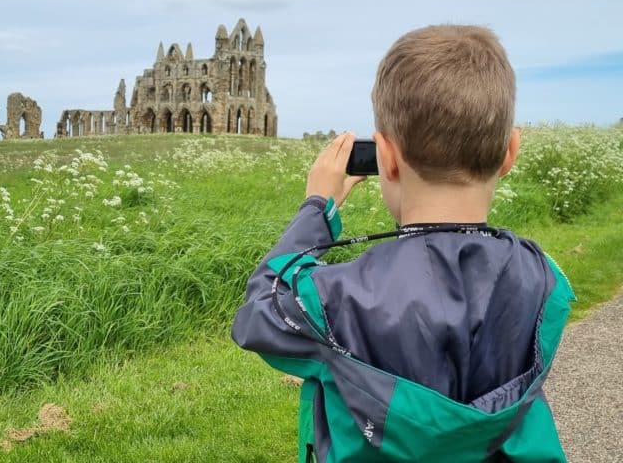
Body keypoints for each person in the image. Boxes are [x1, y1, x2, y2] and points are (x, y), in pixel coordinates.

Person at [231, 25, 575, 462]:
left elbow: (260, 310)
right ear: (510, 152)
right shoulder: (544, 278)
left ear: (386, 159)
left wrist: (316, 209)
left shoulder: (333, 300)